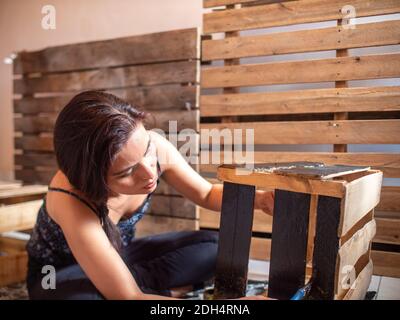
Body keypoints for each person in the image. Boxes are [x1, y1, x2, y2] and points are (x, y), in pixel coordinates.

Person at [26, 91, 274, 300]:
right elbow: (129, 297)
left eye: (147, 150)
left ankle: (138, 286)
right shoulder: (71, 199)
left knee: (216, 247)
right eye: (127, 172)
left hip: (119, 256)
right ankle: (153, 289)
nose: (148, 174)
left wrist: (261, 199)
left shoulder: (152, 145)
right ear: (92, 178)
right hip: (60, 275)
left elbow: (207, 193)